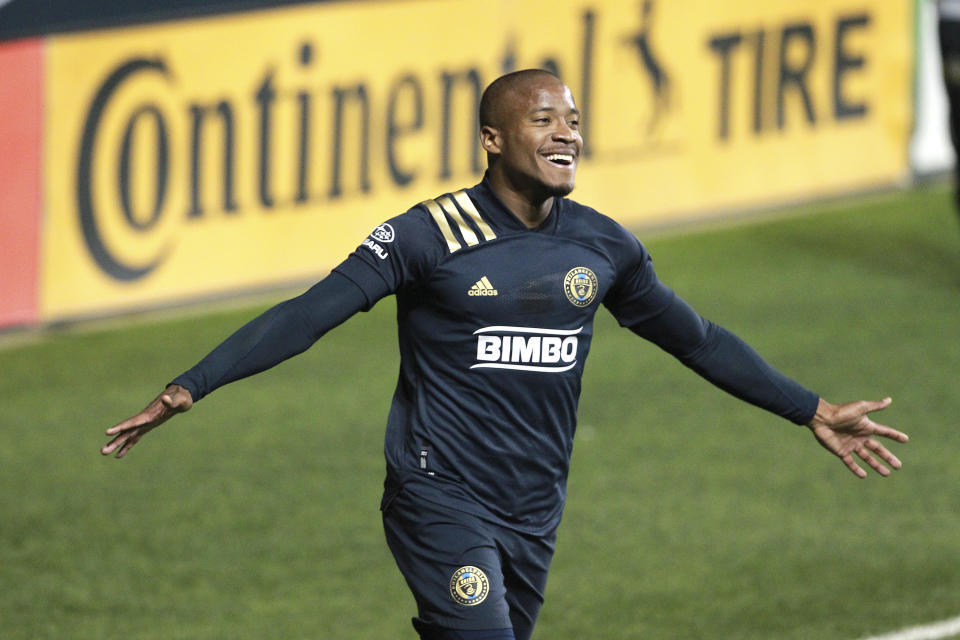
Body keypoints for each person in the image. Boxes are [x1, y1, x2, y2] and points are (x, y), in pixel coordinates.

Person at [102, 69, 908, 640]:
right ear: (492, 138)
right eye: (544, 119)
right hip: (438, 496)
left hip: (534, 509)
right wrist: (188, 388)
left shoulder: (604, 245)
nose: (567, 134)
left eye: (574, 120)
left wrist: (810, 408)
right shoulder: (429, 234)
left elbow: (694, 339)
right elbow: (311, 312)